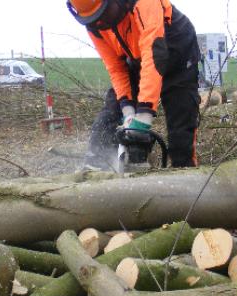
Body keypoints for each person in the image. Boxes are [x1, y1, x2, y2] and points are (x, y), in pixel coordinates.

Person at [67, 0, 201, 169]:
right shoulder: (95, 24)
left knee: (181, 123)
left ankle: (185, 172)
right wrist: (128, 111)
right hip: (139, 57)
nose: (102, 23)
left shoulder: (144, 2)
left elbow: (154, 55)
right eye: (95, 20)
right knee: (109, 114)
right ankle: (97, 166)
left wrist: (143, 118)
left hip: (177, 51)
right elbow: (116, 68)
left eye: (105, 14)